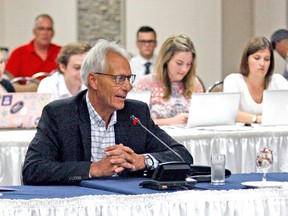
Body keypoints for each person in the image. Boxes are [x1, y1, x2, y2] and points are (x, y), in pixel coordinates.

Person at [22, 39, 193, 185]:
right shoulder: (60, 114)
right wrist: (94, 169)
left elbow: (182, 155)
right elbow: (32, 170)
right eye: (119, 79)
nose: (127, 87)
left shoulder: (136, 113)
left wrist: (142, 160)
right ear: (93, 80)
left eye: (129, 78)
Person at [134, 34, 204, 126]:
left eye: (189, 64)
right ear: (166, 60)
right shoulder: (146, 83)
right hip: (157, 139)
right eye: (179, 63)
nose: (184, 69)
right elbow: (136, 123)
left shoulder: (194, 83)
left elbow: (202, 117)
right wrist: (172, 121)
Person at [223, 36, 288, 124]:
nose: (262, 64)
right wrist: (257, 119)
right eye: (257, 58)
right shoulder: (233, 80)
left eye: (266, 59)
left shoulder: (278, 80)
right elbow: (229, 113)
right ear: (246, 60)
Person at [6, 14, 61, 78]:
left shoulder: (62, 52)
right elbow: (10, 82)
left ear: (53, 33)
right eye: (41, 29)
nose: (45, 33)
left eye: (49, 29)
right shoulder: (18, 53)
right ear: (34, 32)